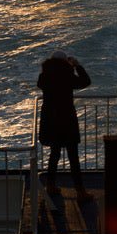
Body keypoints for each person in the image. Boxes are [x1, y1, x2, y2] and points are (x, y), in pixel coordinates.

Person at [37, 50, 93, 204]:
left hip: (51, 121)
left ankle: (50, 185)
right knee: (73, 157)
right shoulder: (68, 76)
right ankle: (80, 192)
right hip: (67, 120)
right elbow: (85, 82)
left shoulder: (44, 77)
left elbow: (41, 83)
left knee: (54, 154)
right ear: (65, 62)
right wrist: (76, 65)